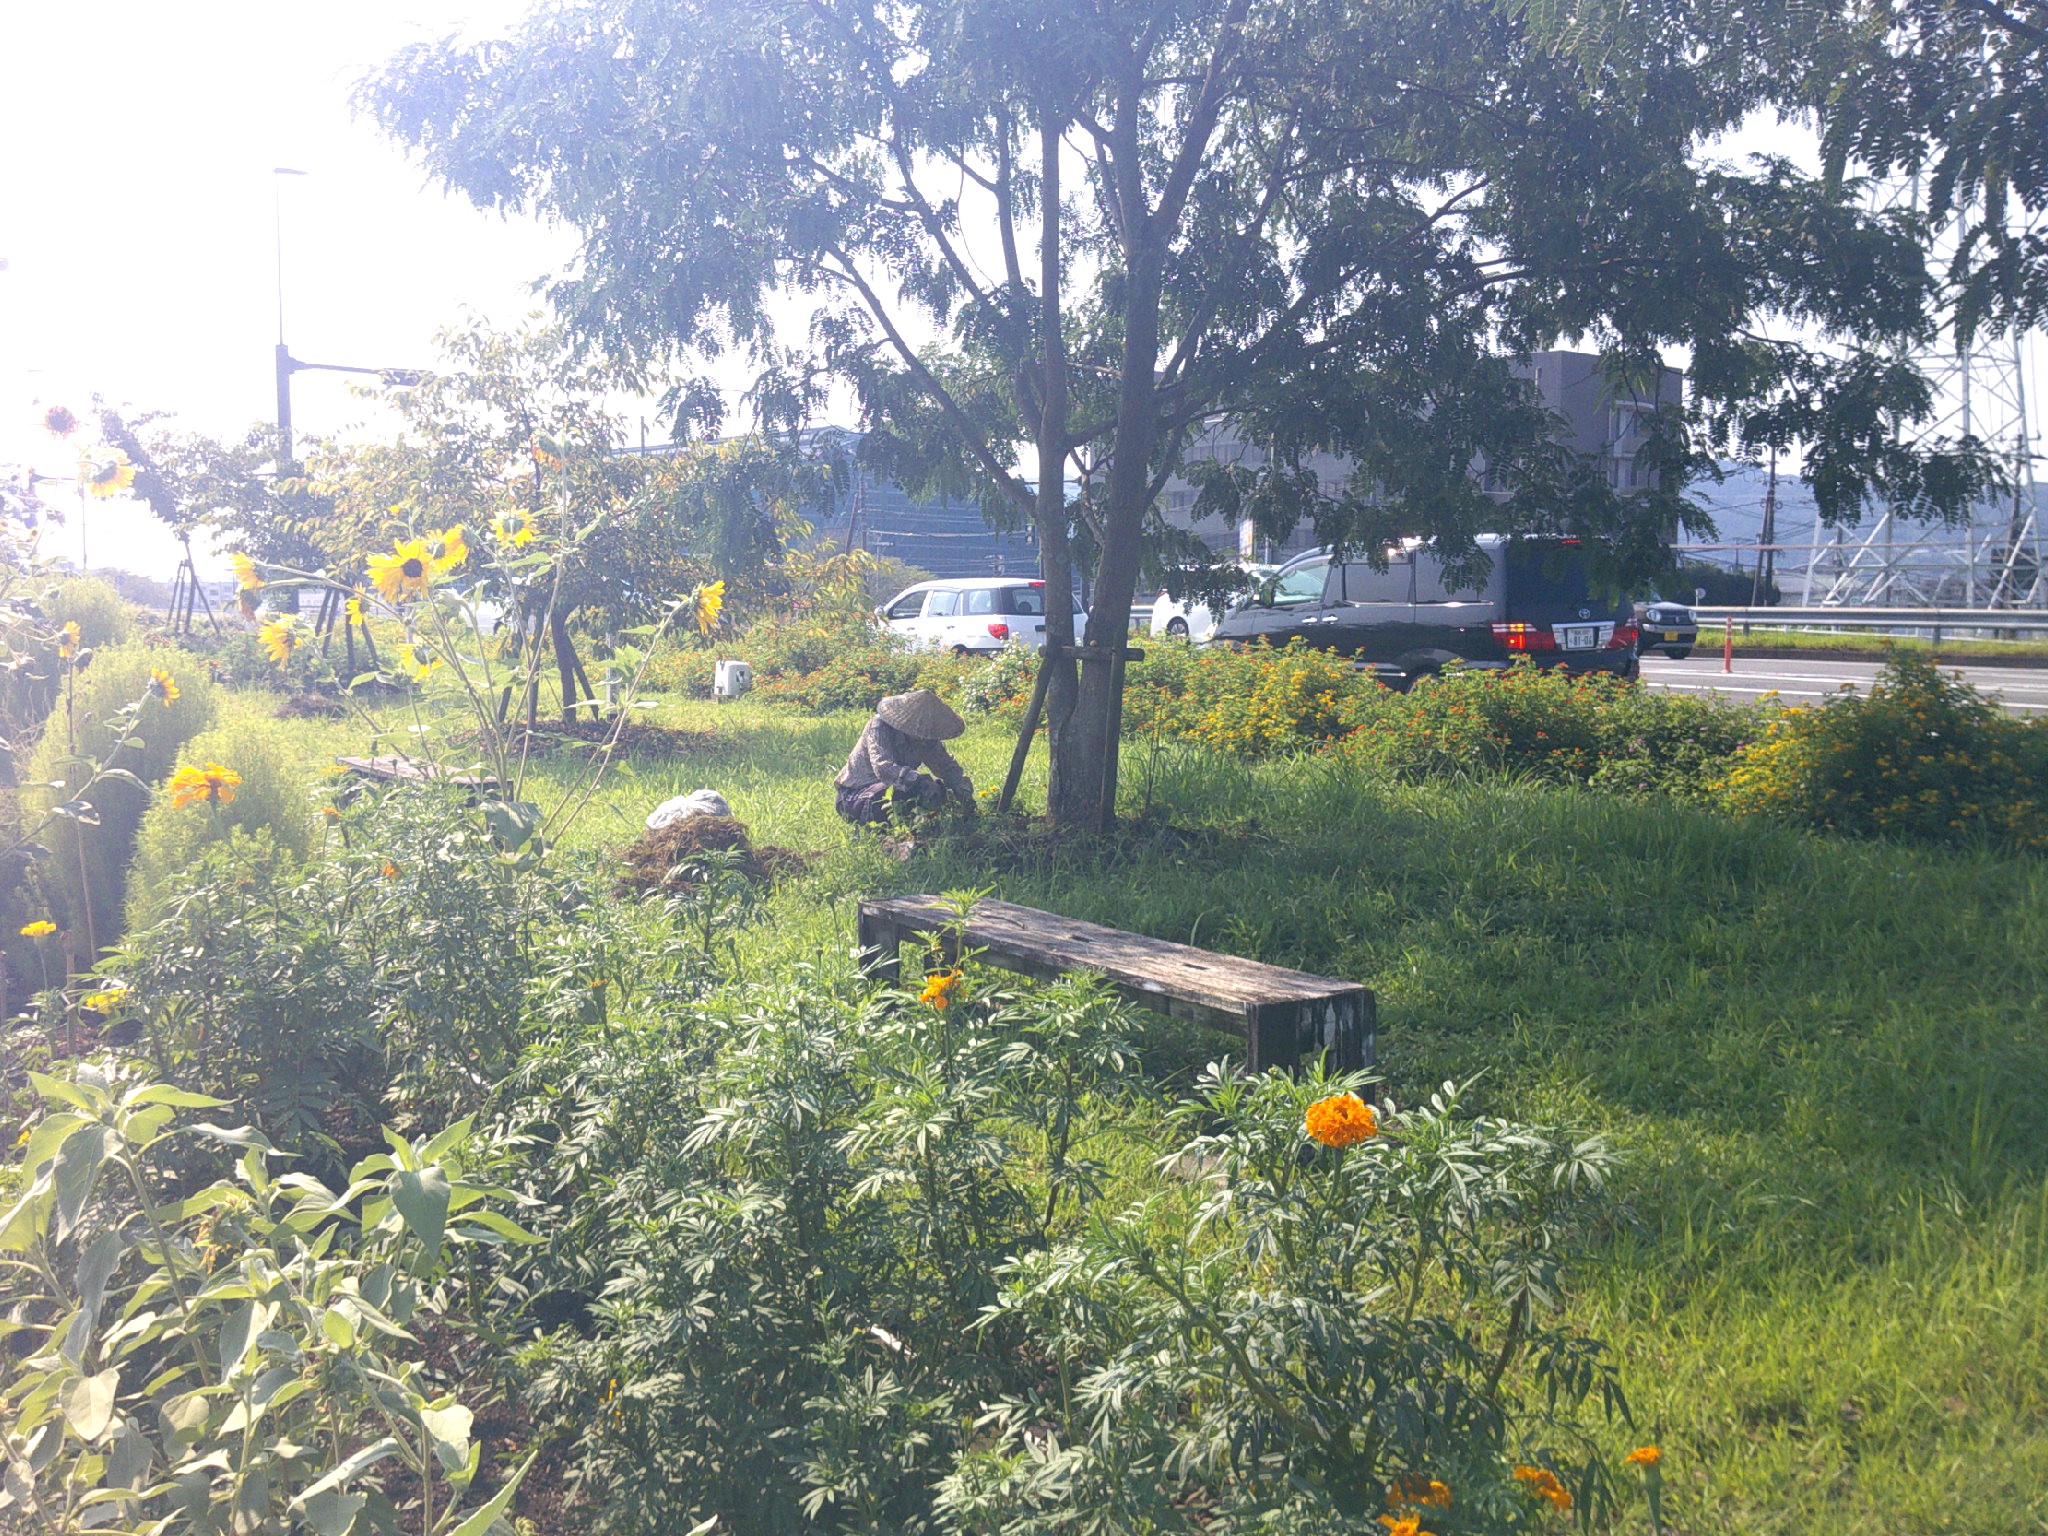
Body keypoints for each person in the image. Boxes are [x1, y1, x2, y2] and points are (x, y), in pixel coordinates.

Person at [835, 688, 977, 824]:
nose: (922, 734)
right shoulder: (880, 727)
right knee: (888, 794)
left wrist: (961, 787)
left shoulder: (926, 738)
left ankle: (917, 826)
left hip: (896, 789)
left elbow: (946, 766)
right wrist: (919, 780)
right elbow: (882, 767)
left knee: (937, 791)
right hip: (855, 795)